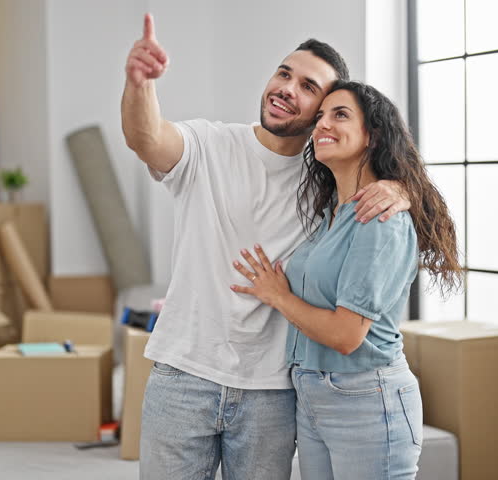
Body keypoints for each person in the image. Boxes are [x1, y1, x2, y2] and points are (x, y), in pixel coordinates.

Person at [122, 13, 411, 480]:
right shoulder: (208, 145)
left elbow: (379, 182)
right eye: (283, 73)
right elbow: (147, 137)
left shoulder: (325, 179)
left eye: (307, 86)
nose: (286, 88)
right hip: (183, 375)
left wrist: (402, 190)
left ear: (321, 113)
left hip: (272, 391)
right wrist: (139, 84)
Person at [231, 81, 462, 479]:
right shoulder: (329, 216)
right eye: (320, 116)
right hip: (312, 394)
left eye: (340, 114)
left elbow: (346, 335)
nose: (323, 124)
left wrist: (278, 296)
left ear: (372, 136)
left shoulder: (379, 219)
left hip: (366, 397)